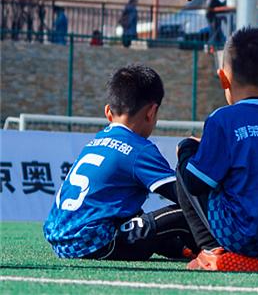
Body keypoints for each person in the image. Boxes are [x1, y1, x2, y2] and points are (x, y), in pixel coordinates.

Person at [176, 28, 258, 271]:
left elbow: (195, 183)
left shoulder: (223, 119)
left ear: (223, 78)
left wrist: (187, 148)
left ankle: (211, 249)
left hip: (244, 238)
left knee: (187, 166)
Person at [44, 65, 193, 260]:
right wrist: (187, 156)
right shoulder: (139, 148)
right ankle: (213, 250)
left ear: (108, 112)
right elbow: (185, 196)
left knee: (136, 217)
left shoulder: (96, 142)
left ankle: (181, 249)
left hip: (62, 244)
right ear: (151, 112)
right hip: (98, 242)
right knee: (185, 212)